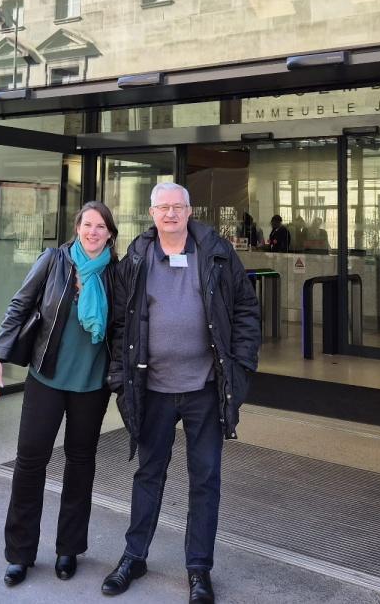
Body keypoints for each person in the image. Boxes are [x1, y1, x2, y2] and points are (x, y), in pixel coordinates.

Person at [103, 182, 261, 604]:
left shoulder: (217, 253)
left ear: (190, 211)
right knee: (148, 475)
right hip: (151, 388)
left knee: (205, 480)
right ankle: (134, 557)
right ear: (151, 213)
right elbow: (119, 325)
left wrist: (240, 369)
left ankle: (198, 570)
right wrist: (120, 377)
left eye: (177, 207)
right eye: (162, 207)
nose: (170, 214)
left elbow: (246, 309)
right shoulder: (135, 258)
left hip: (205, 389)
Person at [0, 202, 119, 587]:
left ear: (110, 233)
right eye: (87, 225)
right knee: (30, 463)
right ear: (77, 228)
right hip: (46, 378)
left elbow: (125, 327)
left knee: (81, 465)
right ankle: (20, 553)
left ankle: (68, 548)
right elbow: (19, 305)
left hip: (91, 386)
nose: (93, 232)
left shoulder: (118, 272)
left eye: (101, 226)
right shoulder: (54, 260)